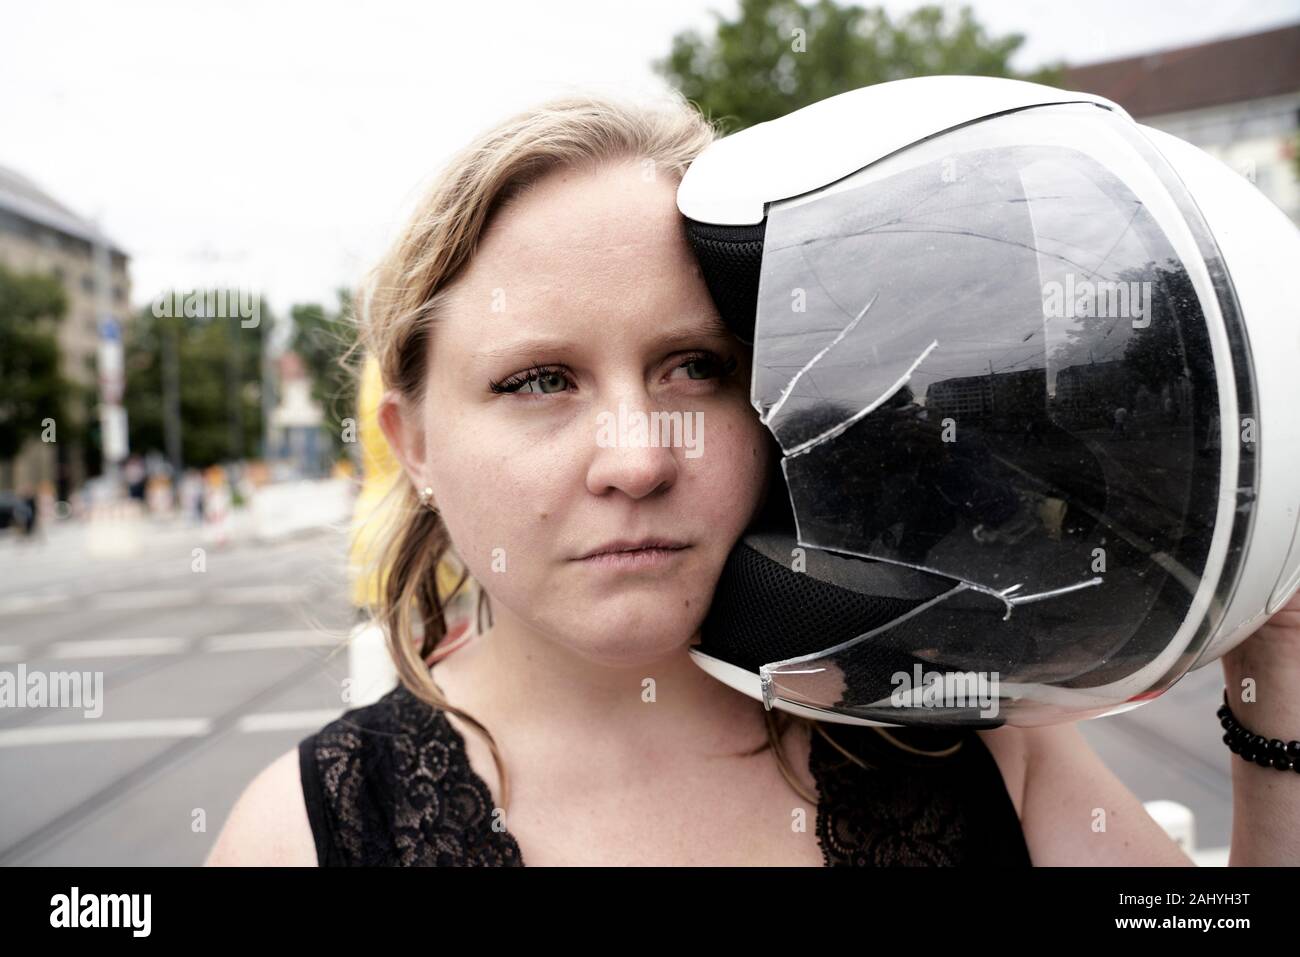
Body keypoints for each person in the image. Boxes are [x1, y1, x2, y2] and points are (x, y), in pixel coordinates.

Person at [205, 91, 1300, 867]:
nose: (635, 458)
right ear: (415, 442)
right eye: (539, 380)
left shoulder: (957, 735)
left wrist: (1280, 678)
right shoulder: (304, 839)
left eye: (696, 369)